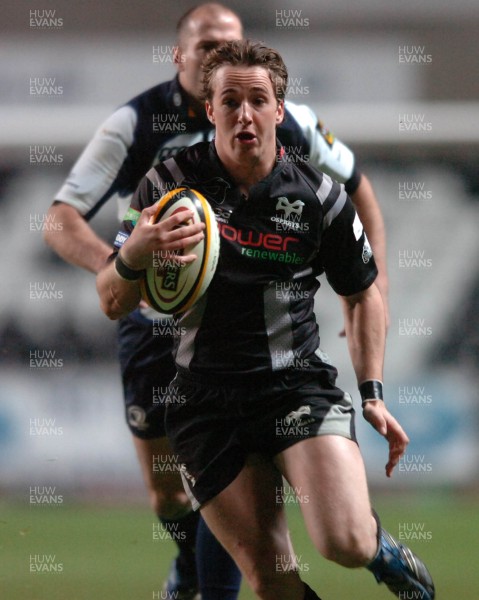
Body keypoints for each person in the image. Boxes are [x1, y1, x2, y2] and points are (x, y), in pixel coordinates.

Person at [44, 4, 388, 599]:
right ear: (182, 58)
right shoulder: (141, 128)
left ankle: (213, 580)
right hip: (164, 330)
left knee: (329, 545)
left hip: (281, 367)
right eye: (204, 47)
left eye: (228, 44)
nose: (215, 57)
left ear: (277, 106)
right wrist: (130, 258)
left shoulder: (293, 135)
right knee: (168, 493)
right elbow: (59, 220)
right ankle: (188, 563)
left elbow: (359, 192)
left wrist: (376, 287)